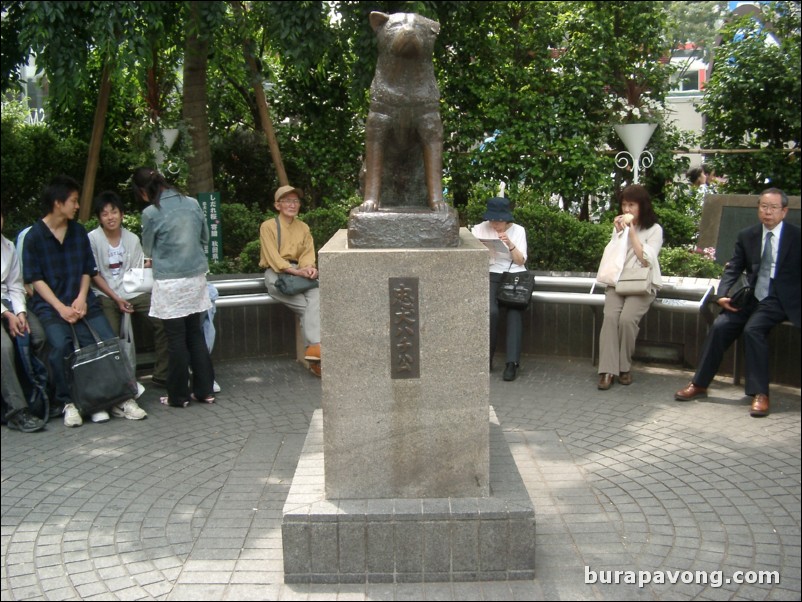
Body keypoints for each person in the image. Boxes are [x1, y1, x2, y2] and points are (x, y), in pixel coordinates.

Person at [22, 175, 146, 426]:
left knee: (107, 341)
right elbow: (35, 279)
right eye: (74, 201)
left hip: (83, 300)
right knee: (60, 345)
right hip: (51, 307)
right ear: (58, 203)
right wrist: (60, 307)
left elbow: (86, 269)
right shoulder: (34, 237)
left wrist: (80, 298)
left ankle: (119, 398)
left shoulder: (77, 232)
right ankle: (71, 402)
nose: (77, 206)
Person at [675, 188, 800, 417]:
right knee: (721, 326)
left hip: (779, 298)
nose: (767, 212)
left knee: (753, 330)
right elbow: (733, 267)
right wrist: (722, 294)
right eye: (763, 206)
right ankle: (700, 383)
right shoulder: (748, 235)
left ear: (784, 211)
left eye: (773, 208)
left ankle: (760, 394)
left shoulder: (796, 236)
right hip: (750, 296)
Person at [134, 167, 215, 407]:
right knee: (196, 334)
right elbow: (205, 237)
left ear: (142, 190)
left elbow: (147, 249)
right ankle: (204, 390)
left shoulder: (151, 213)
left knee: (175, 339)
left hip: (169, 281)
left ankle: (178, 396)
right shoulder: (191, 203)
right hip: (196, 278)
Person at [87, 191, 169, 396]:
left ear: (122, 214)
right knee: (110, 334)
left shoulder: (131, 239)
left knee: (162, 319)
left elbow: (136, 271)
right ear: (99, 218)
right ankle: (118, 383)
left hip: (131, 291)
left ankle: (162, 373)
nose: (110, 217)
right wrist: (116, 298)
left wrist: (127, 295)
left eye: (114, 212)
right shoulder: (92, 239)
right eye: (104, 214)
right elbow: (93, 273)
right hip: (105, 293)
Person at [598, 185, 663, 390]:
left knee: (626, 320)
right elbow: (613, 257)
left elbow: (645, 260)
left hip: (641, 284)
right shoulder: (618, 228)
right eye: (624, 204)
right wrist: (619, 235)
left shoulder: (655, 230)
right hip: (618, 281)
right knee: (610, 318)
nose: (627, 209)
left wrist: (631, 232)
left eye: (631, 205)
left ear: (641, 206)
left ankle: (624, 367)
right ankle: (607, 370)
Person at [258, 185, 321, 377]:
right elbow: (274, 259)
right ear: (277, 205)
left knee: (317, 295)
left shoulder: (303, 227)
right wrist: (297, 272)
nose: (292, 205)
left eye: (295, 201)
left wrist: (309, 268)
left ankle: (314, 353)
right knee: (312, 310)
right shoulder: (268, 226)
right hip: (278, 275)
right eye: (287, 201)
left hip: (300, 275)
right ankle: (316, 351)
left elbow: (308, 254)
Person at [471, 196, 528, 382]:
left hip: (514, 275)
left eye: (500, 220)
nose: (496, 224)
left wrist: (509, 244)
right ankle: (486, 358)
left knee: (514, 311)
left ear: (507, 218)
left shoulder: (518, 231)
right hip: (490, 274)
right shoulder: (479, 228)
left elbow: (521, 261)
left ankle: (512, 363)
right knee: (491, 311)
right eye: (493, 220)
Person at [2, 213, 46, 432]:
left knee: (37, 335)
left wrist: (19, 312)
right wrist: (6, 314)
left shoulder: (8, 246)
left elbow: (15, 284)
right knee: (4, 347)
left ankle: (42, 398)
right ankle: (16, 410)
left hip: (10, 302)